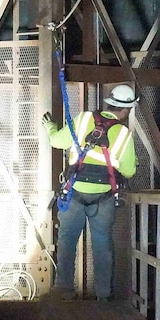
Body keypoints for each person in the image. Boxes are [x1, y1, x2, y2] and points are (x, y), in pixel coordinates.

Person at [41, 84, 139, 301]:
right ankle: (104, 295)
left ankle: (63, 290)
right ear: (126, 110)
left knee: (67, 241)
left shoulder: (84, 119)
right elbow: (129, 171)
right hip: (104, 198)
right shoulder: (123, 134)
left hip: (74, 193)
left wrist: (50, 127)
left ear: (109, 103)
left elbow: (56, 141)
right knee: (102, 244)